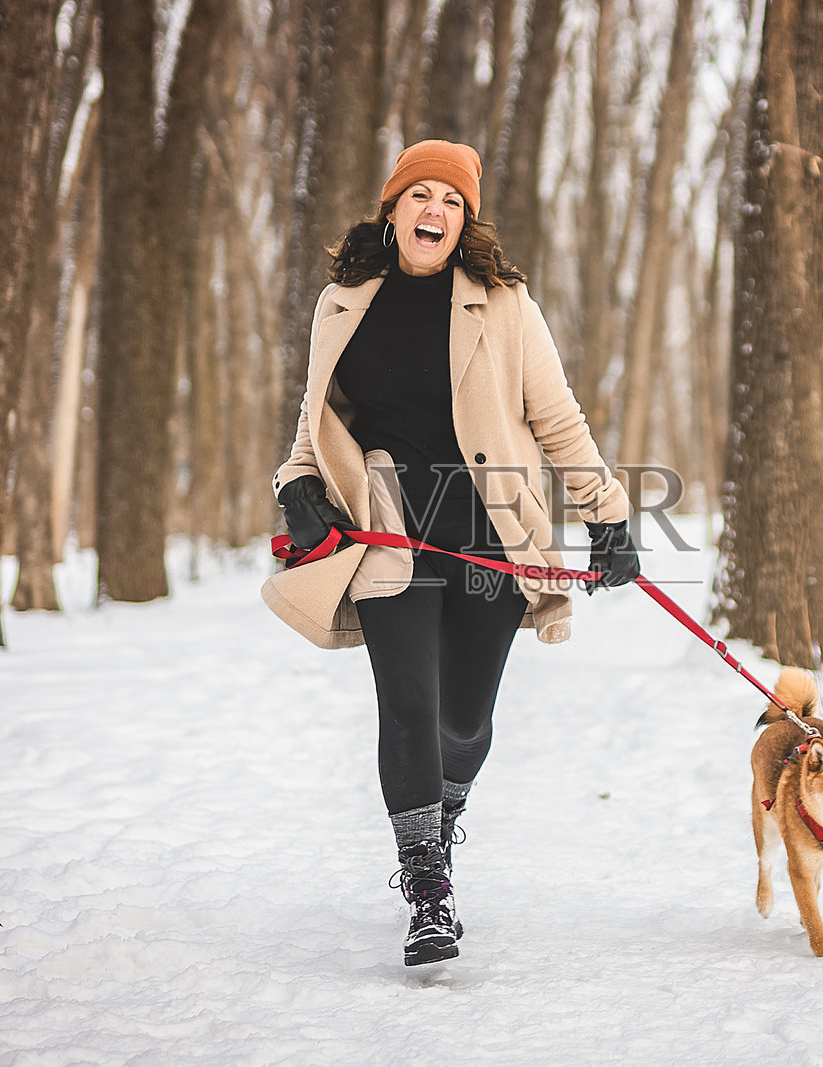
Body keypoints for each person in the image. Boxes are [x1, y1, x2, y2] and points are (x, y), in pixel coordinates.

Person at [261, 139, 641, 966]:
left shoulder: (503, 304)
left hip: (487, 530)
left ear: (465, 220)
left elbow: (557, 418)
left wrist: (607, 516)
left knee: (463, 723)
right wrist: (296, 485)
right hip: (387, 529)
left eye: (452, 201)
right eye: (420, 195)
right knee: (407, 707)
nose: (434, 210)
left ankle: (443, 813)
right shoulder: (343, 301)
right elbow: (315, 419)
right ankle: (427, 883)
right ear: (393, 207)